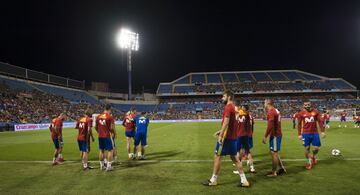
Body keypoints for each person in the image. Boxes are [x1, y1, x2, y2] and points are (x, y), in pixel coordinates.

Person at [202, 90, 249, 187]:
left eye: (223, 96)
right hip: (233, 138)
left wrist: (221, 135)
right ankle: (244, 180)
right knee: (235, 159)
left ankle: (213, 180)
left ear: (228, 97)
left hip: (226, 138)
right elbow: (232, 123)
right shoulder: (234, 108)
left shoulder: (228, 107)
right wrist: (221, 130)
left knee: (217, 156)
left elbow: (226, 122)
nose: (222, 98)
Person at [297, 100, 326, 170]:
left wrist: (322, 131)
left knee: (316, 148)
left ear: (310, 104)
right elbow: (299, 124)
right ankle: (309, 162)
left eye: (308, 104)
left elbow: (320, 121)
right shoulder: (301, 113)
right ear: (303, 106)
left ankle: (313, 156)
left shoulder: (315, 111)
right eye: (305, 105)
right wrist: (299, 134)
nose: (307, 106)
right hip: (305, 133)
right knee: (307, 148)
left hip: (315, 133)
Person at [262, 99, 286, 177]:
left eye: (264, 103)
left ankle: (274, 172)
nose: (264, 104)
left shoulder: (271, 111)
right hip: (277, 134)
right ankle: (281, 168)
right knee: (274, 152)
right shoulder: (276, 110)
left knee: (274, 153)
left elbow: (270, 125)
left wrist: (265, 136)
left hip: (275, 135)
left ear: (268, 103)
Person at [95, 104, 116, 171]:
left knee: (101, 150)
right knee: (110, 150)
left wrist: (99, 132)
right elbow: (111, 128)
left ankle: (102, 166)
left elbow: (95, 127)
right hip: (107, 136)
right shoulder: (110, 117)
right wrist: (114, 133)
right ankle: (109, 166)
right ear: (110, 109)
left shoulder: (98, 116)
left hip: (100, 136)